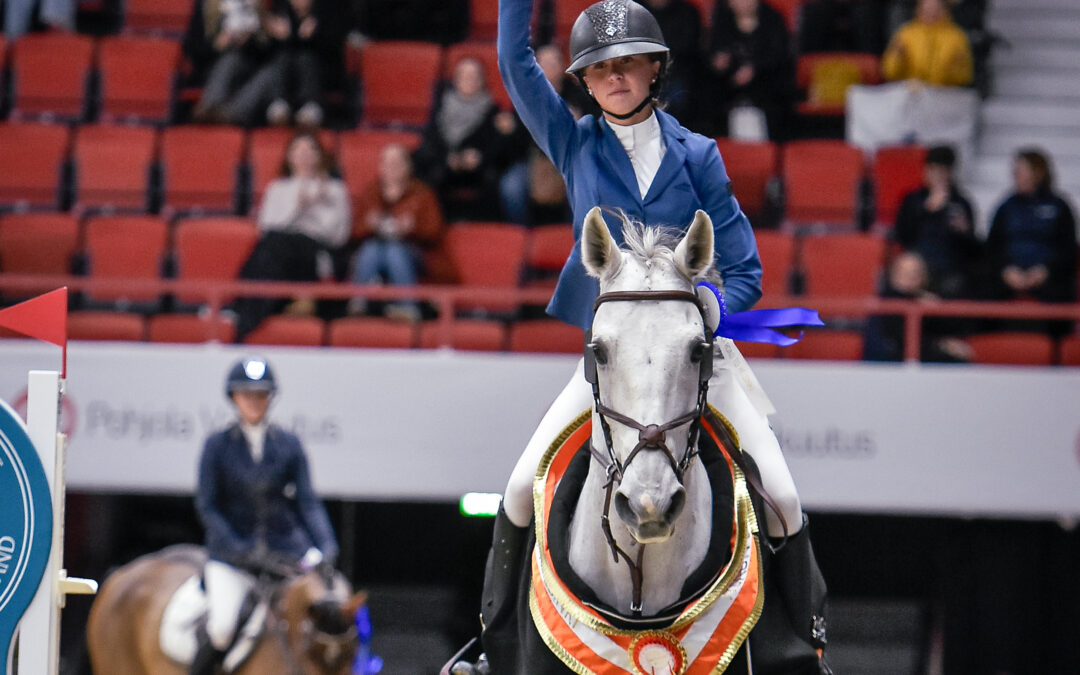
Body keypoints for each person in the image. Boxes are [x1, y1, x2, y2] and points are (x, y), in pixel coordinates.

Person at [497, 0, 804, 541]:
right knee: (520, 489)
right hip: (611, 366)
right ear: (586, 83)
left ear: (654, 68)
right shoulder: (573, 144)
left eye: (627, 62)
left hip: (693, 362)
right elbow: (514, 61)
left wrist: (713, 305)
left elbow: (746, 273)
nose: (614, 76)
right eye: (598, 68)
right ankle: (497, 627)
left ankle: (804, 627)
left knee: (782, 498)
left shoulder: (699, 155)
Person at [191, 356, 338, 675]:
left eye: (261, 395)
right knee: (222, 626)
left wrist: (326, 547)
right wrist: (240, 550)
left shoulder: (288, 444)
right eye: (247, 395)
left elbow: (308, 502)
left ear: (270, 399)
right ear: (234, 399)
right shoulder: (217, 446)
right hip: (233, 557)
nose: (255, 402)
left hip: (283, 554)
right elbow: (208, 506)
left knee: (333, 607)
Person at [232, 132, 351, 341]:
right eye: (299, 150)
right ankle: (256, 313)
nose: (304, 155)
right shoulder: (278, 188)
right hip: (281, 252)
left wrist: (315, 208)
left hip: (315, 251)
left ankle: (241, 312)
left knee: (272, 249)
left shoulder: (335, 190)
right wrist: (299, 206)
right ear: (289, 156)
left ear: (319, 155)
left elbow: (339, 236)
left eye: (310, 150)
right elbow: (266, 227)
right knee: (271, 247)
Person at [349, 143, 446, 320]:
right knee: (371, 248)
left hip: (414, 251)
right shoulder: (370, 192)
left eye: (397, 163)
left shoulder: (422, 193)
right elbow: (353, 231)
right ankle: (359, 303)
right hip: (375, 248)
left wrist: (412, 228)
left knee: (394, 250)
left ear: (408, 166)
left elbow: (434, 232)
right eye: (387, 163)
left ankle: (408, 307)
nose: (391, 168)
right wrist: (369, 225)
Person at [985, 148, 1078, 334]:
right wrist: (1006, 270)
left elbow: (1068, 248)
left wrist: (1045, 271)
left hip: (1047, 276)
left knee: (1061, 292)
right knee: (982, 289)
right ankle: (983, 348)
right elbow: (993, 246)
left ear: (1038, 172)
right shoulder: (1006, 206)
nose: (1015, 176)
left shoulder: (1059, 206)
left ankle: (1057, 351)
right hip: (1010, 275)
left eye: (1020, 171)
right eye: (1014, 171)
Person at [413, 57, 503, 222]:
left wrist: (479, 157)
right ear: (456, 79)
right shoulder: (442, 105)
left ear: (482, 81)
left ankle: (484, 230)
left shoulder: (493, 109)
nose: (469, 80)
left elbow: (497, 145)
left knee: (494, 179)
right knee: (429, 172)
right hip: (445, 162)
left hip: (477, 169)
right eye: (464, 76)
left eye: (474, 76)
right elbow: (431, 138)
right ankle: (432, 225)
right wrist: (448, 157)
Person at [893, 144, 981, 299]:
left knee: (962, 284)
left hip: (949, 268)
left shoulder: (961, 203)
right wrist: (928, 211)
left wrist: (964, 232)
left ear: (950, 173)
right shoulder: (912, 200)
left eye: (942, 171)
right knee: (899, 281)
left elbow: (972, 250)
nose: (937, 176)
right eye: (932, 170)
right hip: (917, 266)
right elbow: (902, 236)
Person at [705, 0, 796, 140]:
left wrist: (754, 69)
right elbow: (713, 52)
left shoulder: (772, 19)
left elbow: (779, 55)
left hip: (767, 82)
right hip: (729, 84)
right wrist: (720, 61)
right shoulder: (722, 21)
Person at [862, 251, 973, 362]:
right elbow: (903, 340)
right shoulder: (887, 303)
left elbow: (952, 329)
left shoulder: (927, 300)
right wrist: (941, 346)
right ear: (892, 275)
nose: (910, 277)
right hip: (892, 363)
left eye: (915, 272)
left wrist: (936, 309)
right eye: (904, 272)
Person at [193, 0, 280, 125]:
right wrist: (217, 45)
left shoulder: (259, 6)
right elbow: (194, 49)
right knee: (231, 59)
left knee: (271, 73)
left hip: (254, 67)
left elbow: (271, 52)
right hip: (215, 69)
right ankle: (211, 107)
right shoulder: (207, 6)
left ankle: (227, 114)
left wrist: (250, 41)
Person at [264, 0, 346, 127]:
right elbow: (269, 51)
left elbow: (335, 47)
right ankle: (278, 104)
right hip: (287, 72)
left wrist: (317, 32)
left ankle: (311, 105)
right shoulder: (281, 10)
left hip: (322, 71)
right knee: (283, 57)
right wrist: (276, 34)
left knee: (306, 58)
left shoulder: (327, 9)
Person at [881, 0, 973, 87]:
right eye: (927, 8)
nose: (931, 13)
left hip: (944, 96)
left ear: (945, 10)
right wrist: (897, 58)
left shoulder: (957, 37)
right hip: (911, 93)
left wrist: (956, 68)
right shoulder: (906, 34)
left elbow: (965, 76)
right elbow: (889, 71)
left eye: (936, 9)